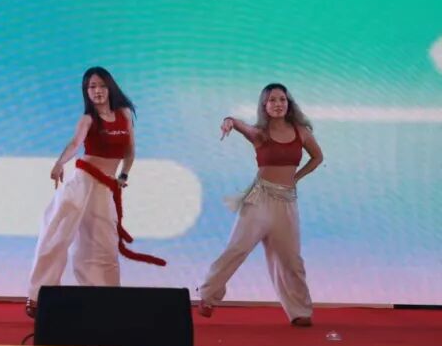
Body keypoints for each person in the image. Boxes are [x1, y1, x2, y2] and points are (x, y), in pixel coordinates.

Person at [25, 67, 165, 317]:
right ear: (86, 92)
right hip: (82, 182)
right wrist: (59, 163)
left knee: (103, 244)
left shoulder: (124, 114)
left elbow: (130, 150)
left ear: (110, 87)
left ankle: (104, 297)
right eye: (91, 87)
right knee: (56, 234)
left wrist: (123, 175)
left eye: (101, 85)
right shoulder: (88, 119)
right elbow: (75, 144)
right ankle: (37, 295)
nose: (97, 91)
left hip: (105, 188)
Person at [198, 83, 324, 326]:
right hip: (259, 199)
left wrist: (296, 177)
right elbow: (237, 123)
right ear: (264, 106)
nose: (278, 104)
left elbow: (318, 157)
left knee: (291, 260)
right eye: (272, 100)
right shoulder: (259, 134)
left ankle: (300, 311)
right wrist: (228, 121)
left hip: (286, 202)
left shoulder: (301, 132)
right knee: (237, 248)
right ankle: (208, 295)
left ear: (288, 104)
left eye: (282, 99)